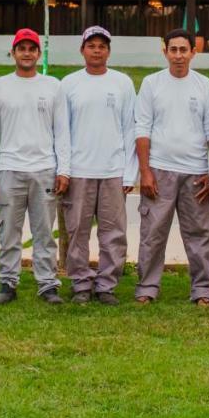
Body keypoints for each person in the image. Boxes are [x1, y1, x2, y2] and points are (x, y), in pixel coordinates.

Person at [0, 29, 71, 305]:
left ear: (39, 53)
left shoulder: (53, 86)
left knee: (44, 231)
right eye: (21, 48)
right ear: (13, 53)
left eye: (31, 48)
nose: (26, 53)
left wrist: (63, 169)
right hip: (10, 168)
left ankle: (47, 284)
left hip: (44, 167)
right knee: (9, 229)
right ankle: (7, 282)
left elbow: (62, 132)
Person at [133, 29, 209, 305]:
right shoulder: (151, 83)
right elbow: (142, 128)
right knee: (153, 232)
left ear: (194, 52)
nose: (178, 55)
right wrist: (145, 171)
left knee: (200, 233)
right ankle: (147, 287)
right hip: (159, 169)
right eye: (173, 49)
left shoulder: (205, 85)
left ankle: (202, 289)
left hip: (195, 171)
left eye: (184, 50)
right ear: (165, 51)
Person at [59, 25, 137, 305]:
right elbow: (62, 131)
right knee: (77, 230)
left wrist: (130, 172)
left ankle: (106, 284)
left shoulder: (122, 83)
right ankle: (80, 282)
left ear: (108, 51)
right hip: (79, 170)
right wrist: (64, 169)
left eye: (102, 46)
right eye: (91, 45)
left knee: (113, 231)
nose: (96, 50)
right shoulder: (68, 84)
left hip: (113, 170)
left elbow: (130, 128)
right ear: (82, 50)